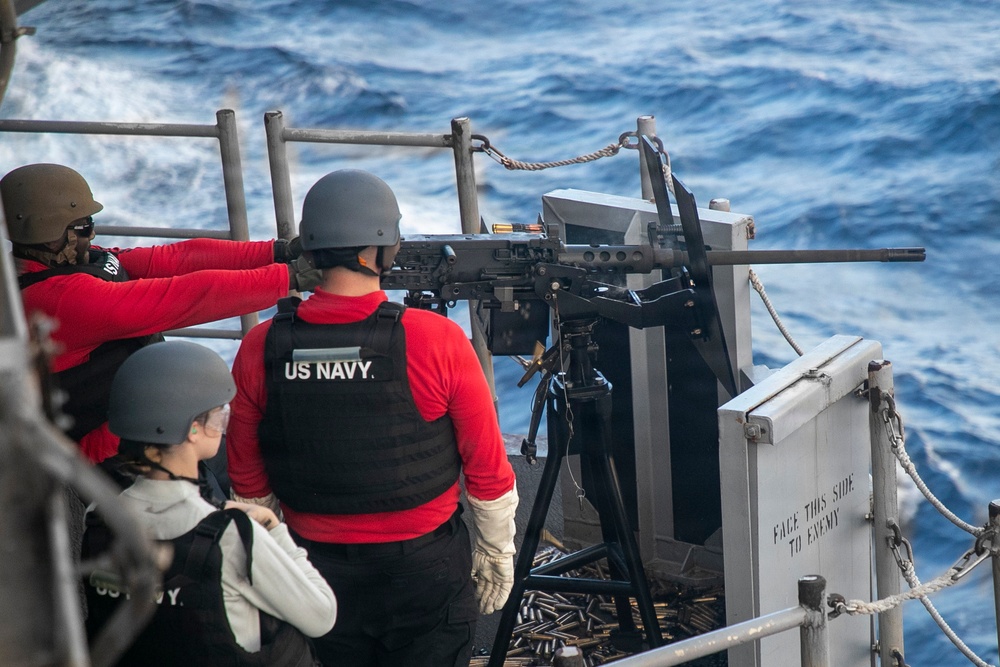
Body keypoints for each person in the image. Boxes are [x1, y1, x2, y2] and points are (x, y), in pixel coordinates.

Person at [226, 169, 519, 666]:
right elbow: (487, 471)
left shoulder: (262, 345)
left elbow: (248, 481)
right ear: (382, 250)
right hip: (423, 573)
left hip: (312, 569)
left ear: (312, 251)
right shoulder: (436, 339)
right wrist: (496, 552)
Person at [1, 162, 319, 465]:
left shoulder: (61, 266)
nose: (93, 235)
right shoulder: (61, 299)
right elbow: (188, 296)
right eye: (85, 226)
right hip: (105, 459)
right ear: (51, 234)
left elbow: (173, 259)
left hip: (130, 428)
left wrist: (279, 252)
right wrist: (291, 277)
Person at [84, 339, 336, 666]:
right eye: (219, 416)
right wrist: (273, 530)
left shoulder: (97, 519)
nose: (222, 425)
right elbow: (322, 616)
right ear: (192, 429)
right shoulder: (232, 535)